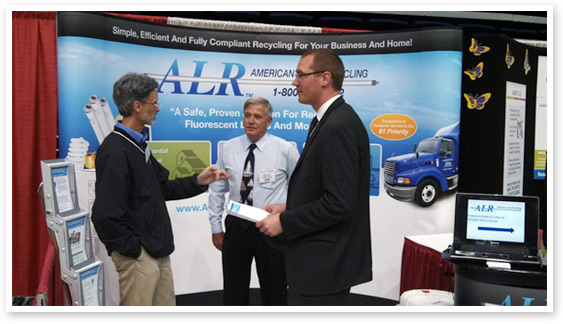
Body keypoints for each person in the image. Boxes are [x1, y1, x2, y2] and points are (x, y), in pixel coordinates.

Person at [91, 72, 230, 306]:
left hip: (156, 251)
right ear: (137, 106)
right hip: (139, 257)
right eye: (154, 103)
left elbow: (162, 187)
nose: (157, 108)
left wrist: (199, 181)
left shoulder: (138, 144)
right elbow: (104, 215)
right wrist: (134, 251)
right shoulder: (116, 150)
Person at [256, 49, 372, 306]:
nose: (294, 82)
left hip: (326, 265)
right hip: (321, 263)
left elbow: (339, 203)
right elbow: (327, 189)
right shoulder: (325, 121)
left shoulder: (338, 125)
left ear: (325, 78)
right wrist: (290, 206)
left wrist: (285, 221)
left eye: (300, 75)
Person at [208, 97, 299, 305]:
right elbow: (217, 189)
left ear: (269, 121)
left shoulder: (285, 150)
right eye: (247, 115)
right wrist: (215, 226)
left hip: (270, 227)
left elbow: (300, 189)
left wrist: (287, 214)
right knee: (233, 289)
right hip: (236, 225)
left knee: (274, 287)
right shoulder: (228, 148)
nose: (251, 121)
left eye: (257, 117)